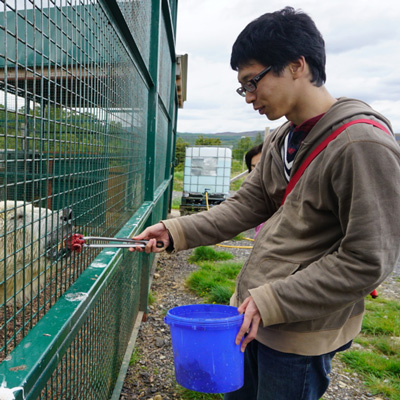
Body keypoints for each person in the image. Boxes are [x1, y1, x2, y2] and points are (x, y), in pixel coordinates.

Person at [130, 7, 400, 400]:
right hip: (251, 314)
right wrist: (175, 230)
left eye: (252, 82)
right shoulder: (280, 138)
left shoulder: (361, 145)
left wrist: (275, 299)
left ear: (296, 65)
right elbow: (246, 205)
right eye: (243, 87)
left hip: (297, 332)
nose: (249, 97)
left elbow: (368, 259)